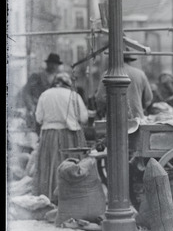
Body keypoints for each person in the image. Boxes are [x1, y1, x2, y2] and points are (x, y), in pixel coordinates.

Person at [33, 72, 89, 203]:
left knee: (50, 163)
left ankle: (49, 195)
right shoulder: (73, 95)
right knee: (71, 164)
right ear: (68, 83)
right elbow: (84, 118)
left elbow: (38, 118)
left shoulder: (45, 95)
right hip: (70, 135)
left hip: (49, 134)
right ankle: (72, 197)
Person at [94, 52, 154, 119]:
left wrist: (104, 110)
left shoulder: (107, 74)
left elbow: (100, 98)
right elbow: (148, 98)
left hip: (114, 120)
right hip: (137, 119)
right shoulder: (140, 74)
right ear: (129, 60)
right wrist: (138, 106)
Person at [19, 52, 63, 128]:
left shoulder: (60, 79)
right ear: (47, 64)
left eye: (56, 64)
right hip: (38, 111)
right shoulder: (37, 76)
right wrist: (31, 107)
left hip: (54, 114)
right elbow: (26, 92)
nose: (53, 66)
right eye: (51, 63)